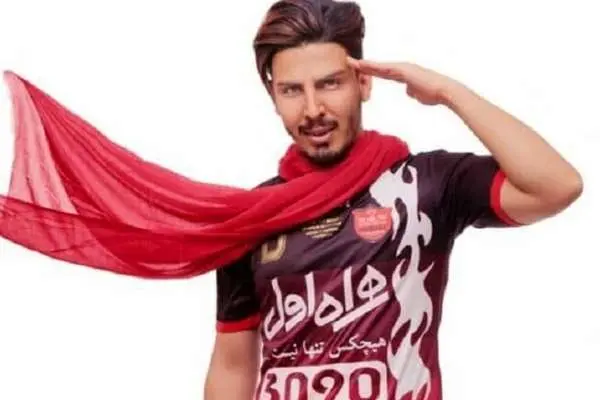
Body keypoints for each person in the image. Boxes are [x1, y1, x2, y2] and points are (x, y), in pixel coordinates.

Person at [203, 0, 583, 399]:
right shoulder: (254, 216)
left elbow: (557, 186)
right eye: (292, 90)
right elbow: (232, 365)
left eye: (330, 83)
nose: (313, 109)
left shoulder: (424, 186)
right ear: (273, 95)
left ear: (364, 82)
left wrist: (448, 92)